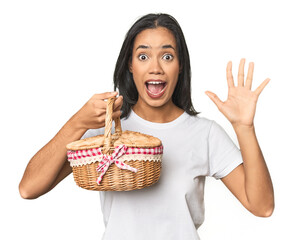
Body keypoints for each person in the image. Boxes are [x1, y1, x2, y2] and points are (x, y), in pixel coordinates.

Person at [19, 13, 274, 239]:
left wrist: (244, 127)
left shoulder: (204, 134)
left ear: (180, 65)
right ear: (130, 65)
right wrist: (76, 123)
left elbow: (262, 206)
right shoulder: (106, 131)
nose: (155, 68)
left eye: (167, 56)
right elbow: (29, 188)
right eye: (143, 56)